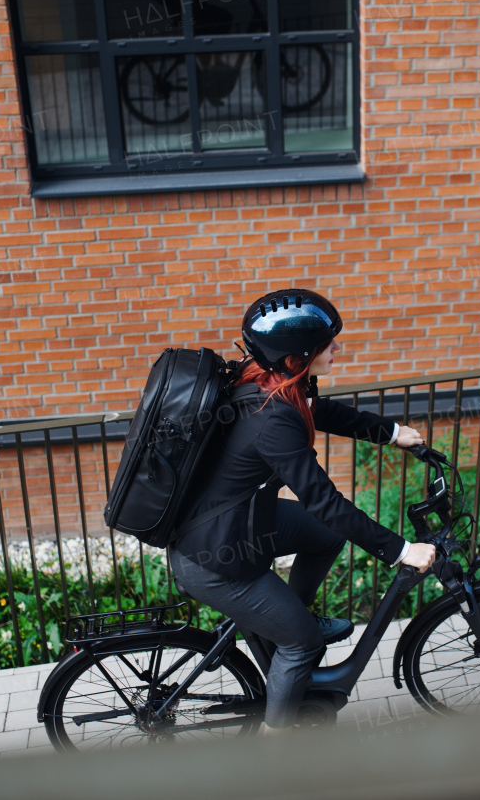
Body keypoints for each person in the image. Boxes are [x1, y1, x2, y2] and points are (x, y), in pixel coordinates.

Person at [168, 288, 437, 735]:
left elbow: (319, 410)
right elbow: (325, 502)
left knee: (323, 534)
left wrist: (390, 432)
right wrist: (401, 550)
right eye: (326, 344)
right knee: (302, 644)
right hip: (215, 559)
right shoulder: (273, 422)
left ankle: (286, 617)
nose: (337, 348)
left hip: (227, 526)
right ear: (295, 359)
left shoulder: (259, 379)